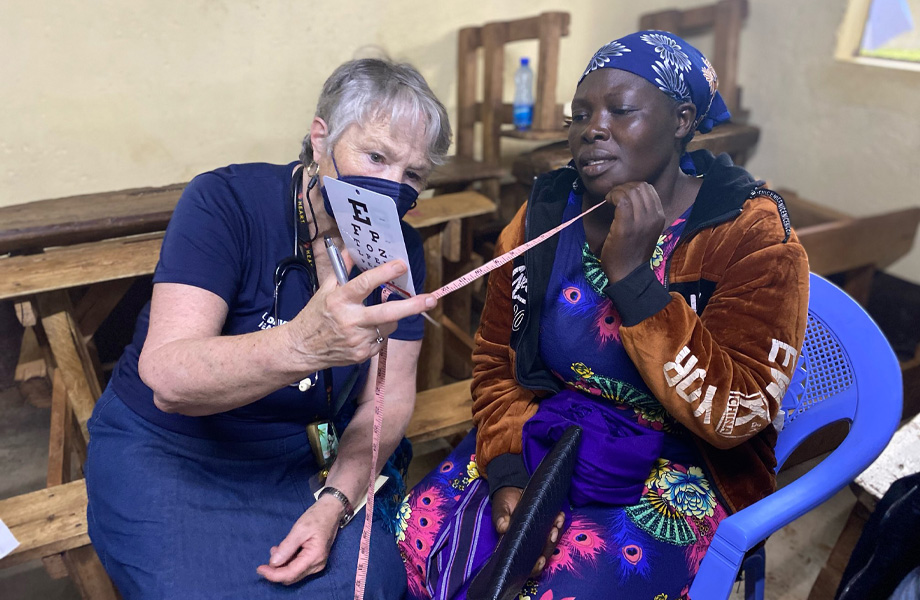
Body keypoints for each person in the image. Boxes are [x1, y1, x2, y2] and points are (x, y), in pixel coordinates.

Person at [398, 31, 809, 600]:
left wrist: (634, 280)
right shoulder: (545, 216)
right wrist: (509, 475)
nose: (593, 127)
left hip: (681, 468)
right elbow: (498, 361)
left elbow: (736, 415)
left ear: (682, 119)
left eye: (621, 109)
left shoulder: (749, 235)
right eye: (581, 114)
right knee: (417, 547)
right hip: (546, 432)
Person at [84, 57, 450, 599]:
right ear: (320, 139)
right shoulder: (225, 203)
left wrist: (335, 501)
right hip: (170, 452)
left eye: (413, 174)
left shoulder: (398, 253)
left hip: (291, 459)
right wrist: (303, 344)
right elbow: (167, 379)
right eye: (376, 156)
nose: (391, 187)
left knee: (371, 582)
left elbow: (387, 403)